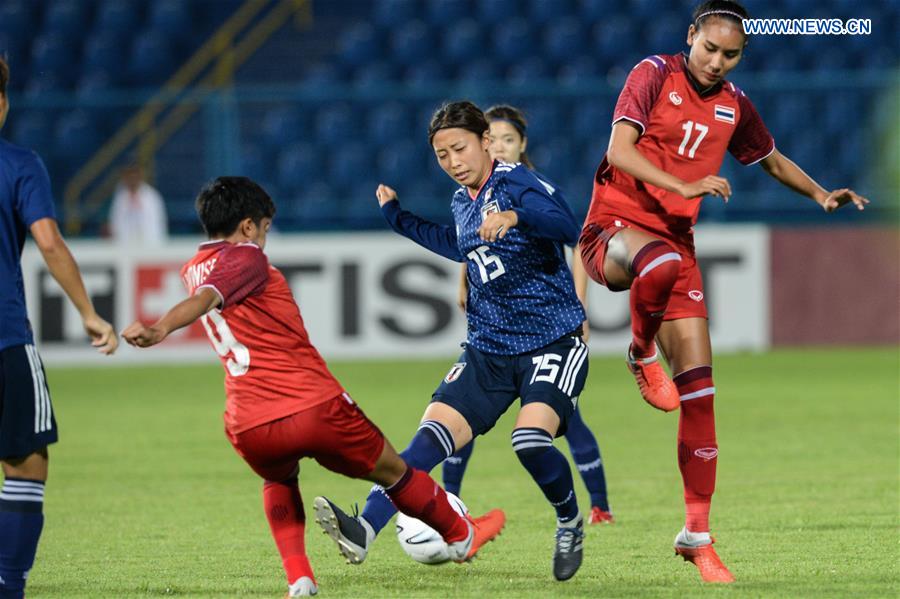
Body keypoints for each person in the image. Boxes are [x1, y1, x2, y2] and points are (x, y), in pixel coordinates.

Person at [578, 0, 869, 583]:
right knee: (657, 262)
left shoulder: (734, 104)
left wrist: (820, 195)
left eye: (730, 54)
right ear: (691, 36)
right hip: (612, 229)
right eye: (709, 47)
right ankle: (639, 350)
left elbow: (771, 160)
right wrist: (683, 184)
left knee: (701, 394)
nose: (716, 61)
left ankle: (697, 535)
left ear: (742, 55)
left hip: (675, 245)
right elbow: (619, 151)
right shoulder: (653, 73)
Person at [120, 176, 504, 597]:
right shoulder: (246, 256)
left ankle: (299, 578)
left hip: (247, 421)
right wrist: (160, 329)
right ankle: (460, 534)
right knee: (395, 472)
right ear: (248, 226)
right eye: (264, 229)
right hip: (310, 403)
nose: (264, 239)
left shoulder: (192, 267)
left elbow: (208, 292)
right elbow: (207, 298)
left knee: (279, 480)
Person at [315, 101, 589, 582]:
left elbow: (570, 227)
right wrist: (398, 218)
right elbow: (456, 244)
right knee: (424, 443)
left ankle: (569, 522)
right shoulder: (463, 200)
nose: (453, 162)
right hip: (488, 350)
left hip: (551, 342)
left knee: (529, 441)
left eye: (460, 149)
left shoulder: (517, 182)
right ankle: (364, 529)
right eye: (442, 155)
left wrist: (517, 217)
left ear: (485, 142)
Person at [444, 104, 613, 524]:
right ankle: (451, 501)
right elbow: (473, 242)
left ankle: (599, 505)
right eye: (494, 139)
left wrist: (579, 306)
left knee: (565, 422)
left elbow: (576, 243)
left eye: (509, 139)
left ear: (522, 145)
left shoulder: (531, 188)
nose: (500, 147)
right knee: (464, 415)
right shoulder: (479, 193)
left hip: (546, 328)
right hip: (501, 331)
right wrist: (464, 281)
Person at [0, 56, 118, 599]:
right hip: (5, 338)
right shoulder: (19, 164)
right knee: (26, 464)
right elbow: (48, 242)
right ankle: (9, 586)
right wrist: (88, 313)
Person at [108, 162, 168, 245]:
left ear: (140, 177)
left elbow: (158, 223)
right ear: (124, 178)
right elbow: (115, 222)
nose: (132, 180)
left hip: (149, 243)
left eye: (134, 177)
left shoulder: (152, 197)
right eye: (129, 177)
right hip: (125, 244)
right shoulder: (120, 198)